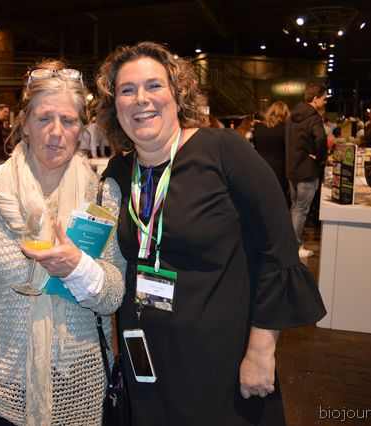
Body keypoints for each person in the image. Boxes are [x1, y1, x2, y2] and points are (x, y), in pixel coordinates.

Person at [96, 41, 326, 425]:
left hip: (221, 360)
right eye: (127, 90)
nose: (141, 99)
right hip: (147, 358)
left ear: (177, 94)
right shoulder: (119, 174)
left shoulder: (223, 152)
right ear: (114, 105)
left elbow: (278, 251)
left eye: (154, 85)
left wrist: (261, 351)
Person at [0, 60, 126, 425]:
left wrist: (77, 267)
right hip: (3, 379)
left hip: (80, 380)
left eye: (68, 120)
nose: (56, 133)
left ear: (82, 128)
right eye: (44, 118)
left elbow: (113, 296)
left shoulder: (103, 197)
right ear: (24, 123)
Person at [285, 82, 328, 258]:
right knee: (300, 210)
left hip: (292, 168)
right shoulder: (314, 118)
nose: (325, 101)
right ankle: (294, 248)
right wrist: (320, 157)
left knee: (296, 208)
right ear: (315, 99)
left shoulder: (292, 116)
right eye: (324, 98)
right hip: (307, 170)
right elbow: (321, 139)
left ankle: (292, 244)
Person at [253, 101, 290, 203]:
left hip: (260, 167)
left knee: (262, 199)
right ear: (285, 114)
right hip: (279, 170)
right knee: (278, 200)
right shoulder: (284, 129)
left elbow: (255, 148)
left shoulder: (257, 128)